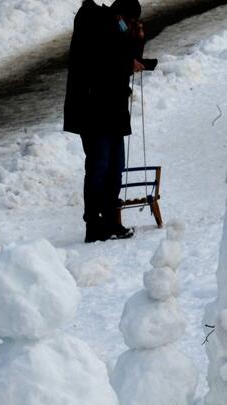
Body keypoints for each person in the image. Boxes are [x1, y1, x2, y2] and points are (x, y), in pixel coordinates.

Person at [63, 0, 154, 243]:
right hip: (92, 110)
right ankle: (94, 225)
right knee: (98, 167)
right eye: (129, 21)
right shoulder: (91, 22)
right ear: (119, 15)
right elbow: (96, 60)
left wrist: (138, 40)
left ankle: (113, 221)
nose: (129, 25)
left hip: (113, 109)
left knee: (115, 167)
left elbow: (126, 59)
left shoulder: (115, 29)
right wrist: (126, 61)